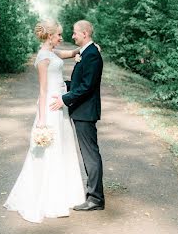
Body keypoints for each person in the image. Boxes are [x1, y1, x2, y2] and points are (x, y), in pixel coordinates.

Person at [4, 19, 85, 223]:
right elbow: (42, 90)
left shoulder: (52, 53)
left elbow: (68, 54)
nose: (61, 38)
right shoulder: (43, 58)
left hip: (60, 105)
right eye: (58, 35)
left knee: (62, 147)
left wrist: (83, 48)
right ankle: (47, 199)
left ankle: (63, 194)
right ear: (50, 36)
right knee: (50, 150)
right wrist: (41, 120)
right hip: (49, 107)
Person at [50, 19, 105, 211]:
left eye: (74, 33)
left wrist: (65, 98)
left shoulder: (92, 55)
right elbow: (79, 82)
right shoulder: (86, 53)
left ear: (85, 34)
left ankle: (95, 199)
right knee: (88, 153)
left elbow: (87, 87)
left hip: (85, 112)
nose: (72, 36)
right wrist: (62, 86)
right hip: (81, 111)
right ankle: (93, 195)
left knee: (90, 154)